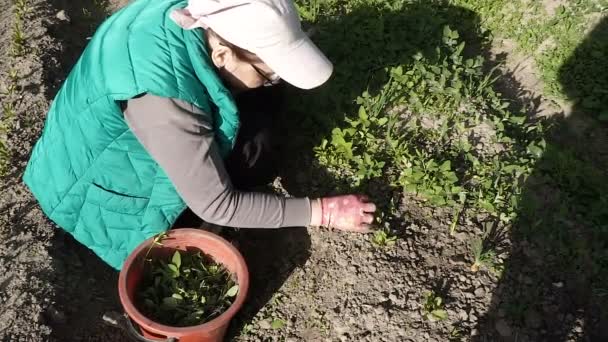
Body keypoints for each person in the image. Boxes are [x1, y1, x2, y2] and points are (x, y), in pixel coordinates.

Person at [23, 0, 377, 270]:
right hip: (96, 193)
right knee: (253, 155)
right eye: (270, 73)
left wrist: (264, 79)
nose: (276, 80)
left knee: (261, 107)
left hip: (94, 143)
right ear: (222, 53)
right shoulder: (165, 102)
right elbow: (218, 204)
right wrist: (322, 212)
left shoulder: (196, 10)